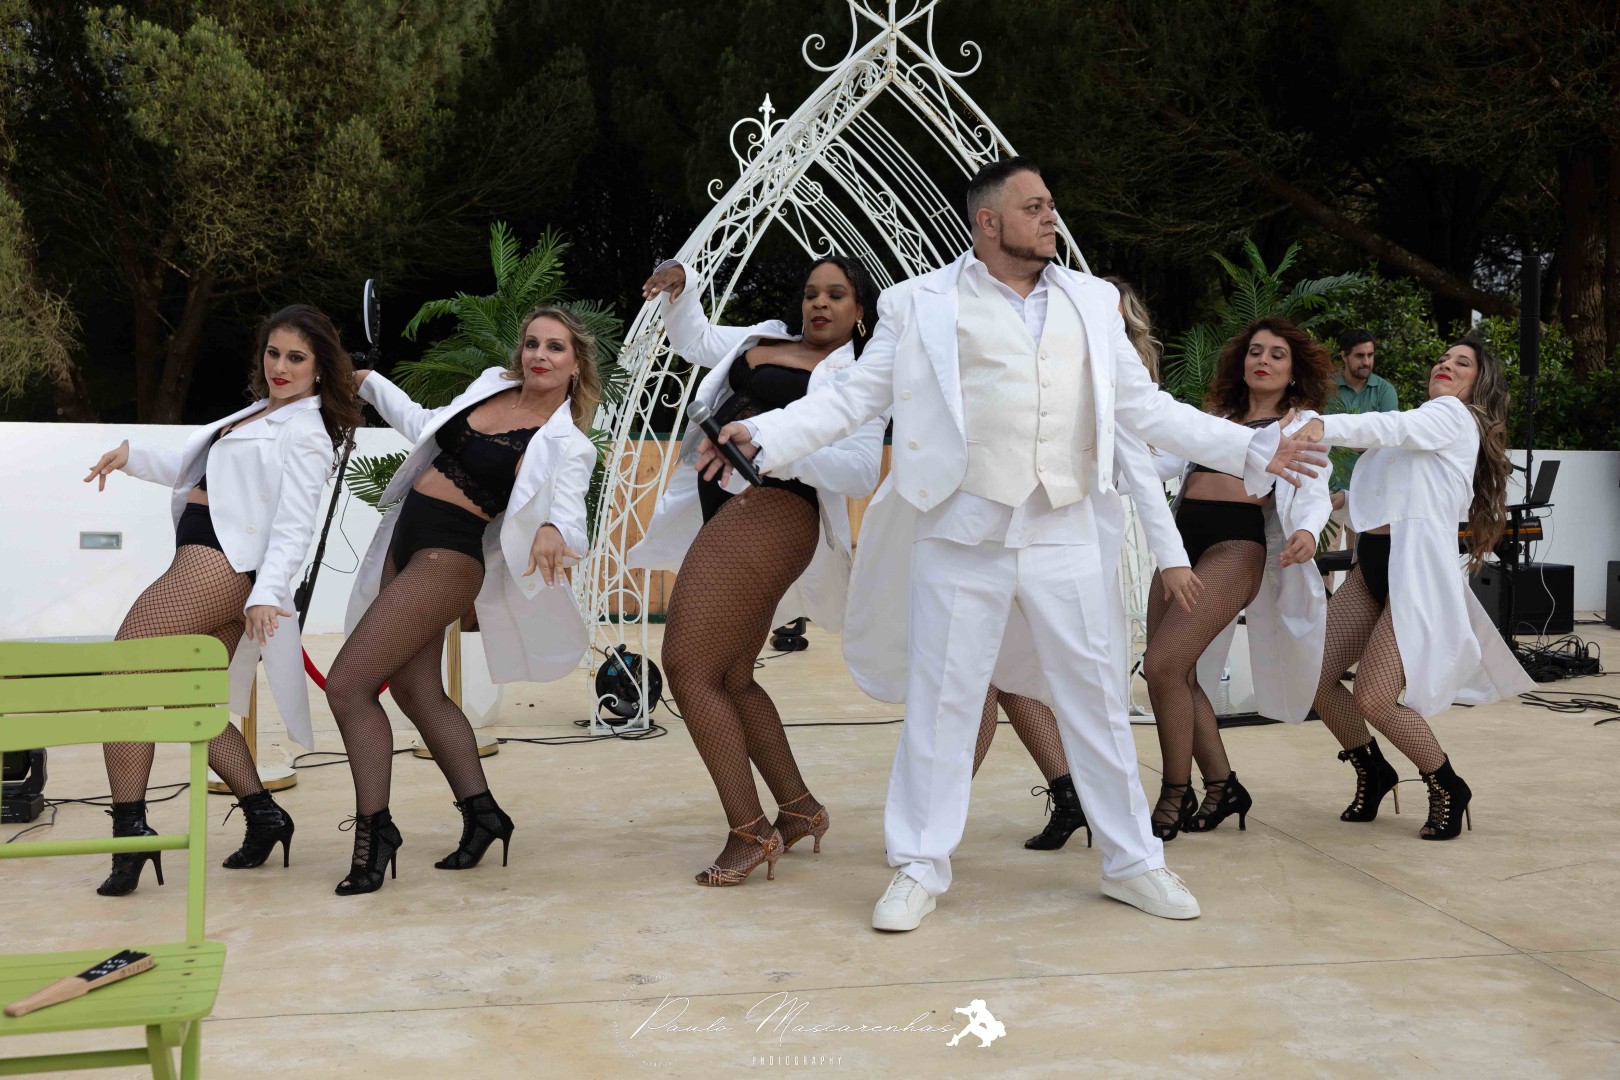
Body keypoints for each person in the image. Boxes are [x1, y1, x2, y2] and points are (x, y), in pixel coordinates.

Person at [703, 157, 1326, 931]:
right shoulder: (917, 303)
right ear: (988, 221)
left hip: (1065, 531)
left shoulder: (1093, 302)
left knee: (1096, 701)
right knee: (942, 706)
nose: (1050, 217)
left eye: (1051, 205)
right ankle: (918, 866)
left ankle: (1133, 863)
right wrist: (765, 433)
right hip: (959, 534)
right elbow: (858, 399)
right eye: (1034, 207)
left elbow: (1146, 409)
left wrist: (1252, 447)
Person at [82, 304, 359, 896]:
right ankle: (264, 814)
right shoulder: (260, 411)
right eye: (273, 353)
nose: (280, 366)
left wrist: (267, 592)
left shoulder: (307, 431)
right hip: (212, 562)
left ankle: (131, 836)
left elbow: (295, 524)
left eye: (296, 357)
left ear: (319, 367)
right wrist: (130, 458)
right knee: (191, 701)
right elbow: (197, 471)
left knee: (122, 675)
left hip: (221, 566)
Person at [632, 254, 886, 886]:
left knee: (686, 667)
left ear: (860, 311)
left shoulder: (861, 377)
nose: (819, 303)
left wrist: (769, 451)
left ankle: (748, 833)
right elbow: (694, 339)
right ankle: (798, 808)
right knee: (731, 676)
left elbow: (859, 470)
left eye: (836, 294)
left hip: (775, 509)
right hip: (724, 511)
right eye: (811, 292)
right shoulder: (763, 337)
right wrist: (683, 284)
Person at [328, 306, 598, 894]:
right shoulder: (491, 385)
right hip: (403, 542)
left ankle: (375, 833)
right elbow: (426, 423)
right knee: (417, 692)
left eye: (555, 347)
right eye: (532, 343)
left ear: (576, 364)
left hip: (448, 560)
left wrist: (553, 530)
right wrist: (368, 382)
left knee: (347, 685)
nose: (540, 355)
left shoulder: (568, 444)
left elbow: (569, 514)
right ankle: (484, 814)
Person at [966, 278, 1198, 852]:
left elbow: (1161, 457)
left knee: (1061, 682)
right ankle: (1062, 793)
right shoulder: (1039, 367)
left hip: (1082, 541)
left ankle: (1093, 807)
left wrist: (1113, 479)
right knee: (997, 672)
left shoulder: (1123, 380)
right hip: (1016, 536)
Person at [1300, 337, 1532, 839]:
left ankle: (1447, 784)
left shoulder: (1452, 416)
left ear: (1478, 383)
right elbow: (1386, 498)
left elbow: (1389, 427)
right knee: (1313, 677)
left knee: (1374, 698)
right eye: (1442, 358)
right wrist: (1337, 502)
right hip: (1374, 565)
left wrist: (1322, 425)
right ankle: (1372, 769)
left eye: (1461, 363)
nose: (1445, 364)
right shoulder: (1424, 424)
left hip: (1415, 578)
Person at [1142, 319, 1332, 840]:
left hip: (1235, 545)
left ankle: (1175, 793)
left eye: (1276, 354)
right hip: (1180, 546)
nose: (1262, 360)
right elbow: (1159, 463)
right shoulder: (1215, 416)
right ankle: (1223, 786)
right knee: (1173, 673)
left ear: (1293, 371)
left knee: (1163, 664)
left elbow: (1314, 487)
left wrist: (1309, 531)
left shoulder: (1299, 424)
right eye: (1255, 351)